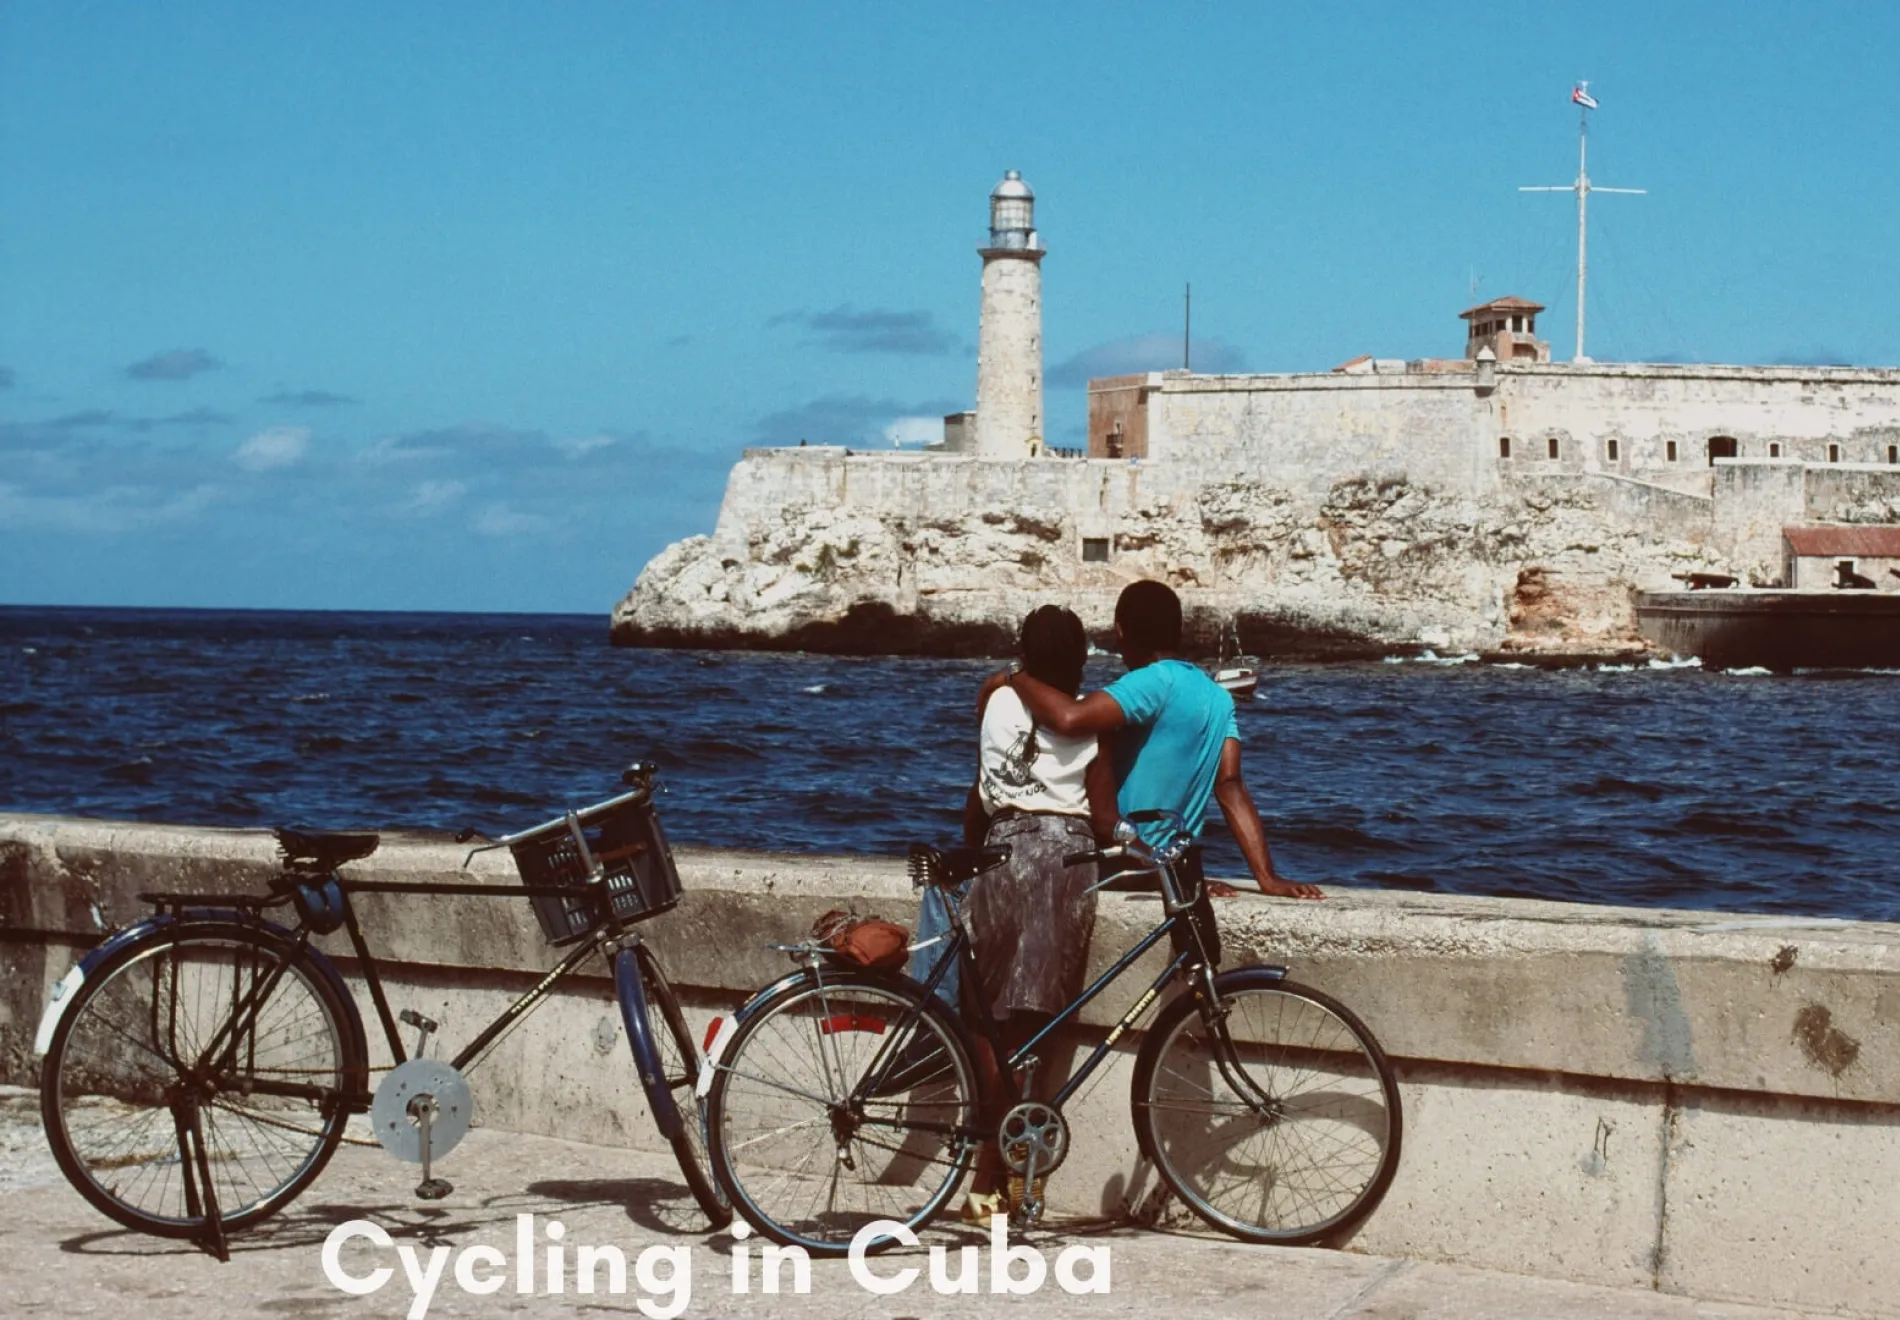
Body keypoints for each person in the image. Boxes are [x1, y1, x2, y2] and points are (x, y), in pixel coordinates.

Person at [940, 604, 1117, 1223]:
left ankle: (986, 1166)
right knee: (1033, 1024)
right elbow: (1102, 819)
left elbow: (981, 790)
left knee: (987, 1018)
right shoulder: (1094, 719)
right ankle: (996, 1176)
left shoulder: (994, 699)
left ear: (1023, 652)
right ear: (1081, 658)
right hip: (1060, 862)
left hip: (998, 849)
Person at [995, 580, 1321, 910]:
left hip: (1121, 865)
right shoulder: (1218, 697)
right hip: (1169, 865)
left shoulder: (1151, 682)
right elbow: (1230, 785)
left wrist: (1015, 677)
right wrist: (1266, 876)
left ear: (1121, 632)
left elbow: (1070, 718)